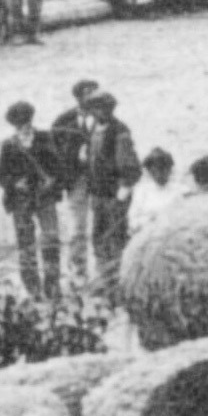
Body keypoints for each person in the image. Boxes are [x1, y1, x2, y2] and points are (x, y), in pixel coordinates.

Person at [0, 101, 62, 301]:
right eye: (19, 122)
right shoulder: (9, 145)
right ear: (13, 124)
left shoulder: (44, 138)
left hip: (44, 197)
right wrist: (15, 184)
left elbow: (58, 166)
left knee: (50, 238)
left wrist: (51, 181)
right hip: (21, 201)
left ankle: (53, 283)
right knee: (26, 243)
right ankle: (32, 286)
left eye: (26, 121)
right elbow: (1, 176)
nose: (23, 126)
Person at [80, 90, 141, 295]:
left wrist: (123, 190)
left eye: (102, 108)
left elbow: (130, 165)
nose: (98, 112)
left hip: (114, 195)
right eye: (95, 109)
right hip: (97, 193)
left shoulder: (120, 131)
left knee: (115, 237)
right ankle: (104, 279)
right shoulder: (94, 128)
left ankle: (119, 283)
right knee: (98, 237)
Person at [46, 81, 100, 287]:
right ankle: (78, 269)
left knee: (101, 222)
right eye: (87, 94)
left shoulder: (104, 117)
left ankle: (102, 268)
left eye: (94, 93)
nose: (92, 98)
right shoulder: (64, 120)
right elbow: (53, 151)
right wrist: (68, 164)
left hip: (101, 180)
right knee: (78, 226)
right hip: (76, 179)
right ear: (78, 98)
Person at [130, 147, 180, 233]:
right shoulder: (141, 191)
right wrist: (149, 220)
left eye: (163, 169)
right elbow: (133, 222)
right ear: (149, 171)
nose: (159, 174)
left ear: (170, 169)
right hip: (148, 234)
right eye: (155, 170)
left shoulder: (181, 190)